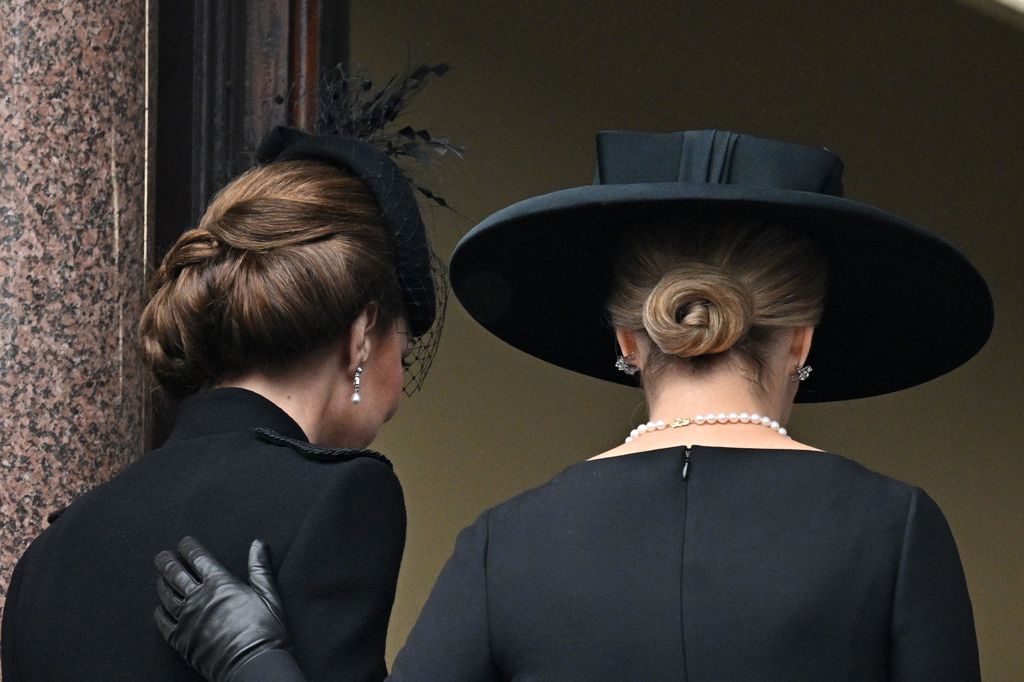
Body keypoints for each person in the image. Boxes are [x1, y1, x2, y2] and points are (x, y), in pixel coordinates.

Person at [152, 130, 991, 681]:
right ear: (802, 338)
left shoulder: (503, 546)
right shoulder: (898, 530)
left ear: (628, 340)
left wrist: (252, 657)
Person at [0, 120, 447, 682]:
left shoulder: (48, 551)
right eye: (402, 352)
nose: (397, 397)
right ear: (361, 335)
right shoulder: (344, 495)